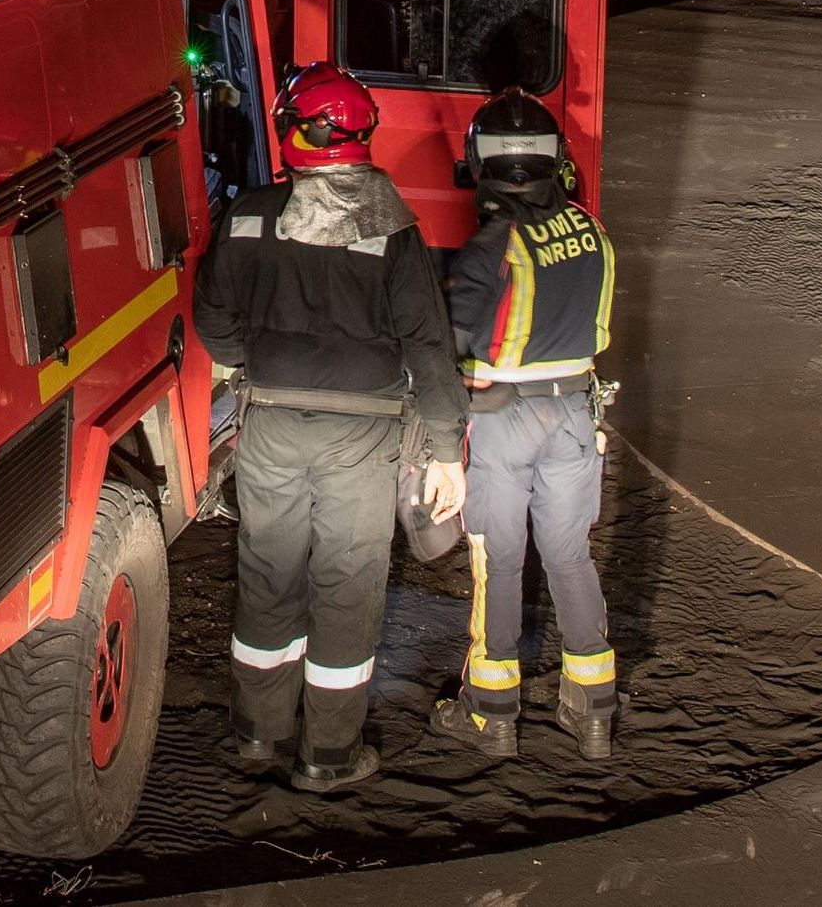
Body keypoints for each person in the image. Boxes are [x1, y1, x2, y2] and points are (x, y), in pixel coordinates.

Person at [194, 63, 467, 794]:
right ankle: (329, 755)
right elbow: (429, 348)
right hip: (363, 439)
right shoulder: (392, 230)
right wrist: (446, 451)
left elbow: (214, 322)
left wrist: (248, 362)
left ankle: (257, 734)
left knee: (267, 572)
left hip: (271, 427)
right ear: (360, 137)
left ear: (295, 132)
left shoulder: (248, 215)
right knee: (347, 583)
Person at [432, 91, 619, 762]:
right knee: (570, 557)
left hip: (504, 419)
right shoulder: (591, 231)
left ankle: (492, 717)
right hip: (575, 413)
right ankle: (592, 711)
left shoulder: (492, 245)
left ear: (479, 164)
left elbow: (451, 344)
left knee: (501, 561)